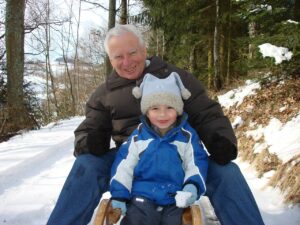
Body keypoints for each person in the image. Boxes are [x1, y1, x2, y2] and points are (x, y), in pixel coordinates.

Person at [46, 24, 265, 225]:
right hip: (131, 159)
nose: (127, 61)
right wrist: (89, 142)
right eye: (118, 56)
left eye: (132, 52)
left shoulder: (175, 78)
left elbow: (206, 113)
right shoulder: (104, 94)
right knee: (86, 165)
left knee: (227, 172)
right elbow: (88, 128)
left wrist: (221, 139)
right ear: (110, 60)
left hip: (178, 155)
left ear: (144, 49)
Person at [109, 72, 209, 225]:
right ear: (147, 111)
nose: (162, 114)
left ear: (178, 109)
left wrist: (192, 186)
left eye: (170, 107)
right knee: (138, 220)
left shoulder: (187, 136)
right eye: (155, 108)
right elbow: (124, 166)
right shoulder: (138, 137)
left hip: (175, 198)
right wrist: (119, 195)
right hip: (142, 197)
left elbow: (195, 163)